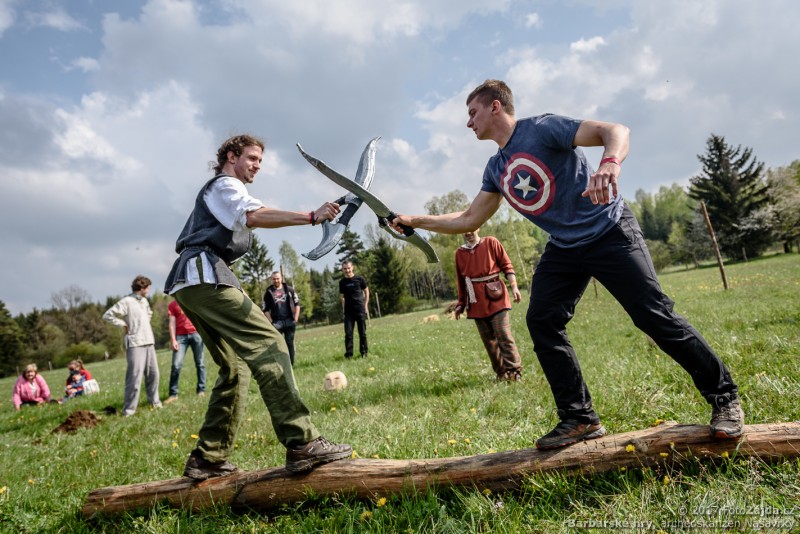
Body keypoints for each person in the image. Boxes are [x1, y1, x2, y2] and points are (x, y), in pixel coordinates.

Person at [391, 79, 744, 450]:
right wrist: (415, 221)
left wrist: (610, 163)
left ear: (495, 107)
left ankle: (725, 399)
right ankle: (579, 418)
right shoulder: (496, 167)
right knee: (541, 320)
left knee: (653, 316)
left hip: (609, 231)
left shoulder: (542, 128)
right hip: (564, 248)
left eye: (472, 113)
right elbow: (468, 219)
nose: (468, 123)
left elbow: (615, 130)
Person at [163, 134, 351, 479]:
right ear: (231, 156)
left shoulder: (222, 193)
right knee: (269, 344)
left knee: (234, 365)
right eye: (252, 158)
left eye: (260, 162)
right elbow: (254, 215)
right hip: (205, 277)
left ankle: (208, 458)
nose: (257, 166)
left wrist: (324, 212)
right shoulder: (225, 185)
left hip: (191, 283)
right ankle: (302, 442)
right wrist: (312, 215)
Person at [454, 228, 523, 382]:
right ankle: (501, 373)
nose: (468, 232)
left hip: (496, 294)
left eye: (471, 228)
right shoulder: (459, 253)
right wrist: (461, 303)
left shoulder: (491, 242)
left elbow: (507, 266)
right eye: (464, 229)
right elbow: (461, 280)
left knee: (503, 334)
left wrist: (514, 286)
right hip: (475, 300)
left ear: (478, 227)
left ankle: (514, 372)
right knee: (488, 340)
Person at [102, 275, 162, 416]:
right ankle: (129, 410)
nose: (149, 290)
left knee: (154, 375)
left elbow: (149, 314)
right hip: (135, 343)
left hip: (149, 341)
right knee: (134, 377)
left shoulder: (145, 301)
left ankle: (155, 403)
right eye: (148, 288)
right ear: (142, 288)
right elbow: (108, 315)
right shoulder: (127, 301)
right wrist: (123, 324)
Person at [164, 299, 206, 404]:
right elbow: (172, 323)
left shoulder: (193, 300)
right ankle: (173, 394)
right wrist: (173, 340)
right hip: (180, 337)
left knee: (200, 363)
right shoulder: (173, 305)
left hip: (196, 334)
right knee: (176, 365)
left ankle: (201, 390)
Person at [261, 271, 301, 365]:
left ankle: (291, 365)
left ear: (281, 278)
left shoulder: (289, 290)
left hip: (289, 320)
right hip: (277, 323)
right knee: (276, 345)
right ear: (272, 280)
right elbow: (265, 309)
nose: (276, 280)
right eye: (274, 279)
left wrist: (296, 318)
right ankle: (280, 364)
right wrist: (271, 322)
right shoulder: (268, 292)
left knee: (289, 343)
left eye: (277, 278)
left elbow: (297, 304)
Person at [339, 261, 369, 359]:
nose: (347, 270)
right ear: (342, 269)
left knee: (362, 333)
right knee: (348, 334)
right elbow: (342, 297)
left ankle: (364, 353)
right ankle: (349, 355)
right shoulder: (342, 282)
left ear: (352, 267)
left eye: (348, 268)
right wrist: (343, 308)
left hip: (360, 309)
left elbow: (366, 291)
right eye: (345, 269)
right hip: (348, 312)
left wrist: (365, 305)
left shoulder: (360, 279)